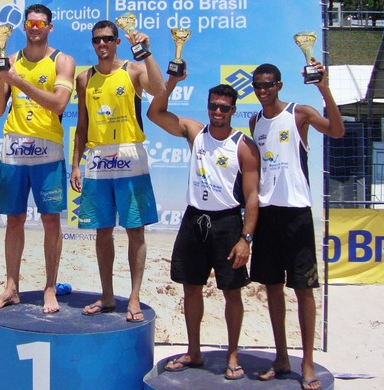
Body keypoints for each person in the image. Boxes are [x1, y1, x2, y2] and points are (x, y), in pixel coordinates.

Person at [147, 73, 260, 379]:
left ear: (234, 109)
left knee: (232, 292)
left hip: (227, 223)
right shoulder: (195, 133)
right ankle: (194, 351)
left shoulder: (243, 146)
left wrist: (245, 239)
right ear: (208, 107)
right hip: (195, 219)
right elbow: (154, 113)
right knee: (191, 289)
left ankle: (233, 355)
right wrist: (170, 83)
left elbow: (252, 198)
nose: (218, 112)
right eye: (213, 106)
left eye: (224, 107)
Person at [249, 61, 344, 390]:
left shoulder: (299, 113)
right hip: (267, 214)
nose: (262, 91)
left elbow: (337, 130)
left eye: (268, 85)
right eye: (257, 85)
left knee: (303, 289)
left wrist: (323, 88)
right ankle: (281, 357)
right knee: (272, 288)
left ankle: (306, 362)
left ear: (279, 84)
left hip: (296, 213)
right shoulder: (254, 121)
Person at [70, 20, 166, 322]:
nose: (102, 44)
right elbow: (82, 125)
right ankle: (108, 295)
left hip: (129, 153)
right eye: (97, 39)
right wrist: (75, 163)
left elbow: (160, 89)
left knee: (135, 230)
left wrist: (146, 52)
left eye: (108, 39)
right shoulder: (84, 78)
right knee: (102, 231)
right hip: (97, 158)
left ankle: (134, 297)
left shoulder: (133, 70)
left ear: (117, 42)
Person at [0, 4, 75, 314]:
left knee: (51, 220)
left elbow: (59, 104)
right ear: (24, 27)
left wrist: (18, 81)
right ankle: (11, 287)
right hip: (13, 147)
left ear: (50, 27)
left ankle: (49, 287)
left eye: (40, 22)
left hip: (47, 148)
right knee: (14, 219)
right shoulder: (10, 61)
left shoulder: (62, 61)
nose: (35, 27)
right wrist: (1, 81)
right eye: (30, 22)